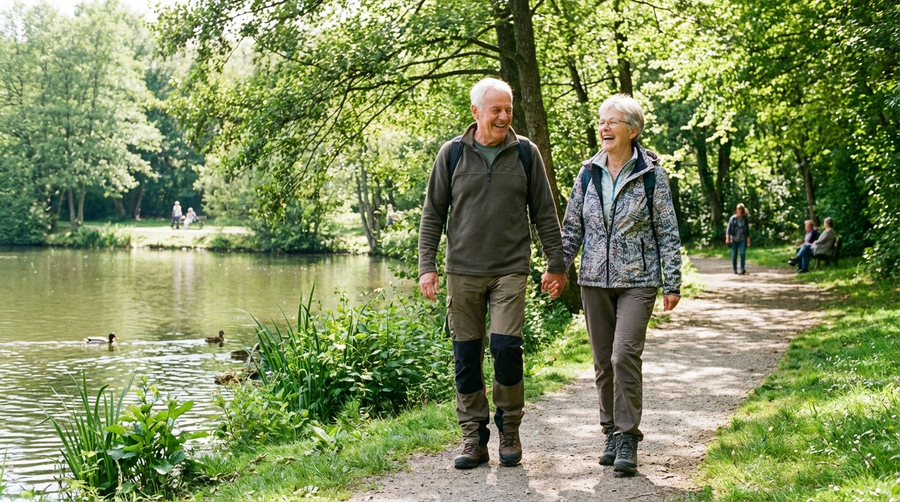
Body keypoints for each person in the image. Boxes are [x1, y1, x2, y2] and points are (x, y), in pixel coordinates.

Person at [417, 78, 567, 470]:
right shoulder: (452, 154)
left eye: (508, 109)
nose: (503, 117)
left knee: (506, 349)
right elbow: (433, 213)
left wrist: (556, 264)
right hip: (462, 270)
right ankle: (473, 436)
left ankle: (510, 429)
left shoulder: (526, 153)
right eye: (495, 110)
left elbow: (545, 212)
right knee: (466, 356)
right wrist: (426, 267)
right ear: (476, 112)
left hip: (510, 269)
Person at [557, 94, 682, 476]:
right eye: (602, 121)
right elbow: (572, 228)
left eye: (612, 121)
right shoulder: (588, 173)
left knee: (623, 355)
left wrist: (672, 282)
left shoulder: (652, 175)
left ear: (633, 129)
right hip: (594, 279)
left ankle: (628, 436)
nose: (604, 127)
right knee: (602, 361)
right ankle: (610, 432)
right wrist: (557, 268)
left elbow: (667, 231)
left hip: (638, 280)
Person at [725, 203, 751, 275]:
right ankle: (735, 269)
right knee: (734, 255)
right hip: (734, 239)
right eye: (738, 210)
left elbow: (747, 231)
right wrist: (727, 238)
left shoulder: (745, 220)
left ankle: (742, 269)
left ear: (743, 211)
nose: (739, 211)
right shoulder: (733, 218)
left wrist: (748, 240)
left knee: (742, 254)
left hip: (742, 239)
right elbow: (728, 229)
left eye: (740, 210)